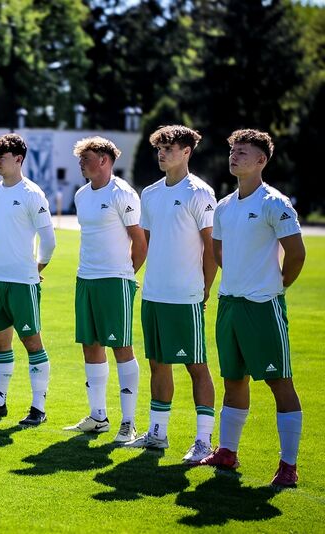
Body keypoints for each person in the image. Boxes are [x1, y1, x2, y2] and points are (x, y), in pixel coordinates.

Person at [199, 129, 306, 487]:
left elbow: (296, 254)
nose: (234, 156)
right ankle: (227, 452)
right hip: (229, 304)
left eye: (243, 152)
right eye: (233, 150)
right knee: (233, 380)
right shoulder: (225, 206)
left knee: (279, 382)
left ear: (261, 160)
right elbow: (218, 251)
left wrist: (278, 286)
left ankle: (288, 465)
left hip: (263, 307)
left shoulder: (274, 203)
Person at [123, 126, 217, 464]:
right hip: (153, 295)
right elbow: (145, 242)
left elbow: (211, 248)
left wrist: (204, 288)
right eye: (159, 148)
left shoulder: (200, 193)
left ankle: (204, 441)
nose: (162, 154)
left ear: (187, 151)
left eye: (169, 148)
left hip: (185, 296)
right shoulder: (149, 193)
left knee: (196, 365)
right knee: (158, 364)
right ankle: (158, 433)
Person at [0, 134, 55, 426]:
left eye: (1, 157)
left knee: (31, 341)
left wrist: (36, 267)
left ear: (18, 159)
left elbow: (49, 240)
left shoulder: (33, 194)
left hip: (22, 281)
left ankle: (38, 408)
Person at [64, 136, 147, 442]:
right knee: (91, 344)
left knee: (121, 347)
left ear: (104, 160)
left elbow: (140, 242)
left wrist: (125, 275)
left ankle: (128, 423)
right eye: (80, 159)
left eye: (86, 158)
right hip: (86, 279)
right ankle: (98, 416)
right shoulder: (81, 194)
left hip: (115, 281)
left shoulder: (122, 193)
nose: (81, 163)